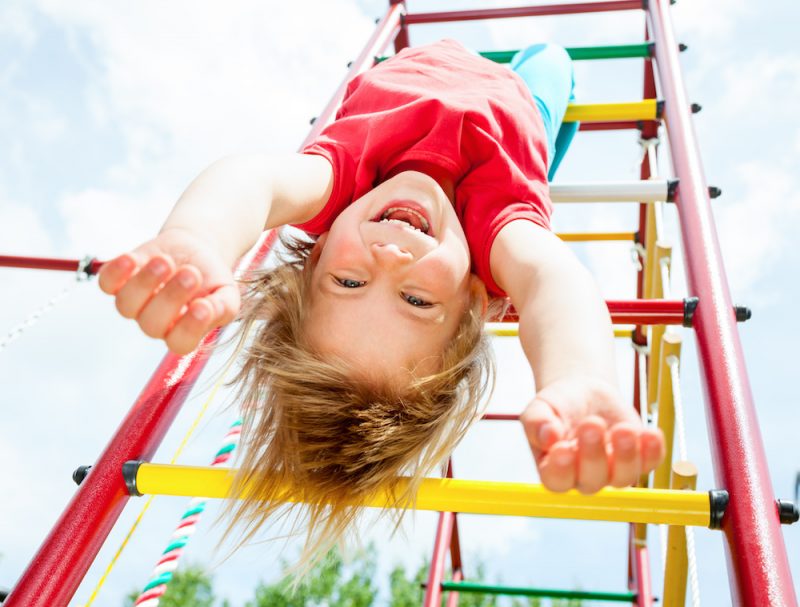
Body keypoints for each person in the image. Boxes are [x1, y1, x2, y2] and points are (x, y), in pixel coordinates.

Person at [98, 40, 664, 564]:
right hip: (522, 101)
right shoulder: (497, 235)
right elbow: (550, 279)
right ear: (474, 300)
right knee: (552, 59)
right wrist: (579, 374)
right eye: (417, 300)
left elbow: (254, 180)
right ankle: (547, 130)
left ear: (316, 255)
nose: (390, 257)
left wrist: (202, 239)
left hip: (418, 63)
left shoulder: (333, 185)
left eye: (348, 282)